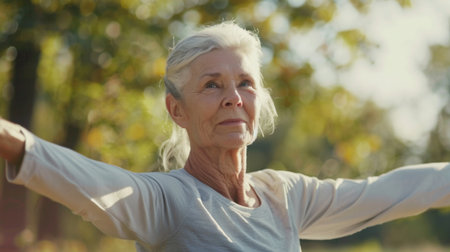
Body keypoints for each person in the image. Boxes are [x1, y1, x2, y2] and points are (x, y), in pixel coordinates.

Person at [1, 21, 450, 252]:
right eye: (212, 85)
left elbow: (395, 191)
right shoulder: (168, 201)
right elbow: (83, 178)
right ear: (177, 109)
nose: (233, 98)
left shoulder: (285, 195)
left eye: (245, 83)